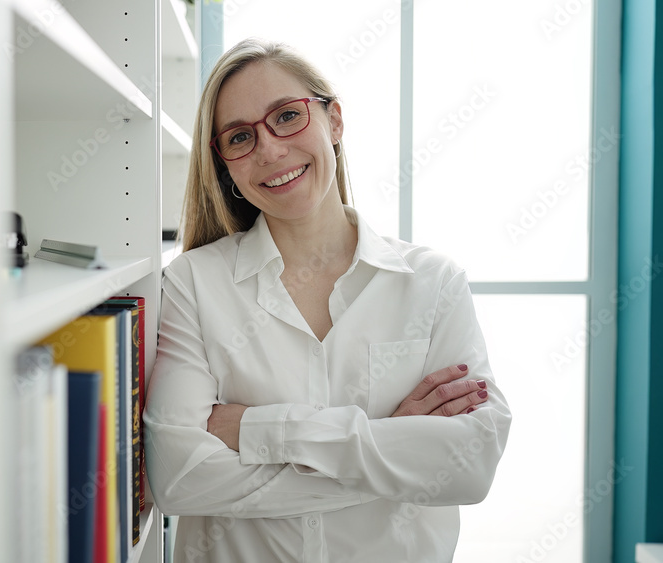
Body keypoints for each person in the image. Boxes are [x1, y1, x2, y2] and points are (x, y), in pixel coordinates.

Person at [142, 38, 512, 563]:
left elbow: (470, 465)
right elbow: (179, 477)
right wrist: (393, 451)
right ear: (224, 165)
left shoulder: (432, 283)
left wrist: (256, 427)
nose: (270, 150)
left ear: (333, 121)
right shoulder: (192, 284)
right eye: (241, 137)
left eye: (288, 117)